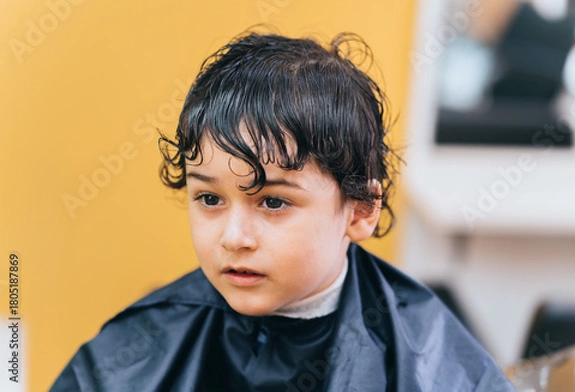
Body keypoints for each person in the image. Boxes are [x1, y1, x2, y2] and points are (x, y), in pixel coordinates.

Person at [50, 31, 514, 391]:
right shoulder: (133, 354)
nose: (234, 237)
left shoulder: (428, 362)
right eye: (210, 199)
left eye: (273, 202)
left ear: (360, 210)